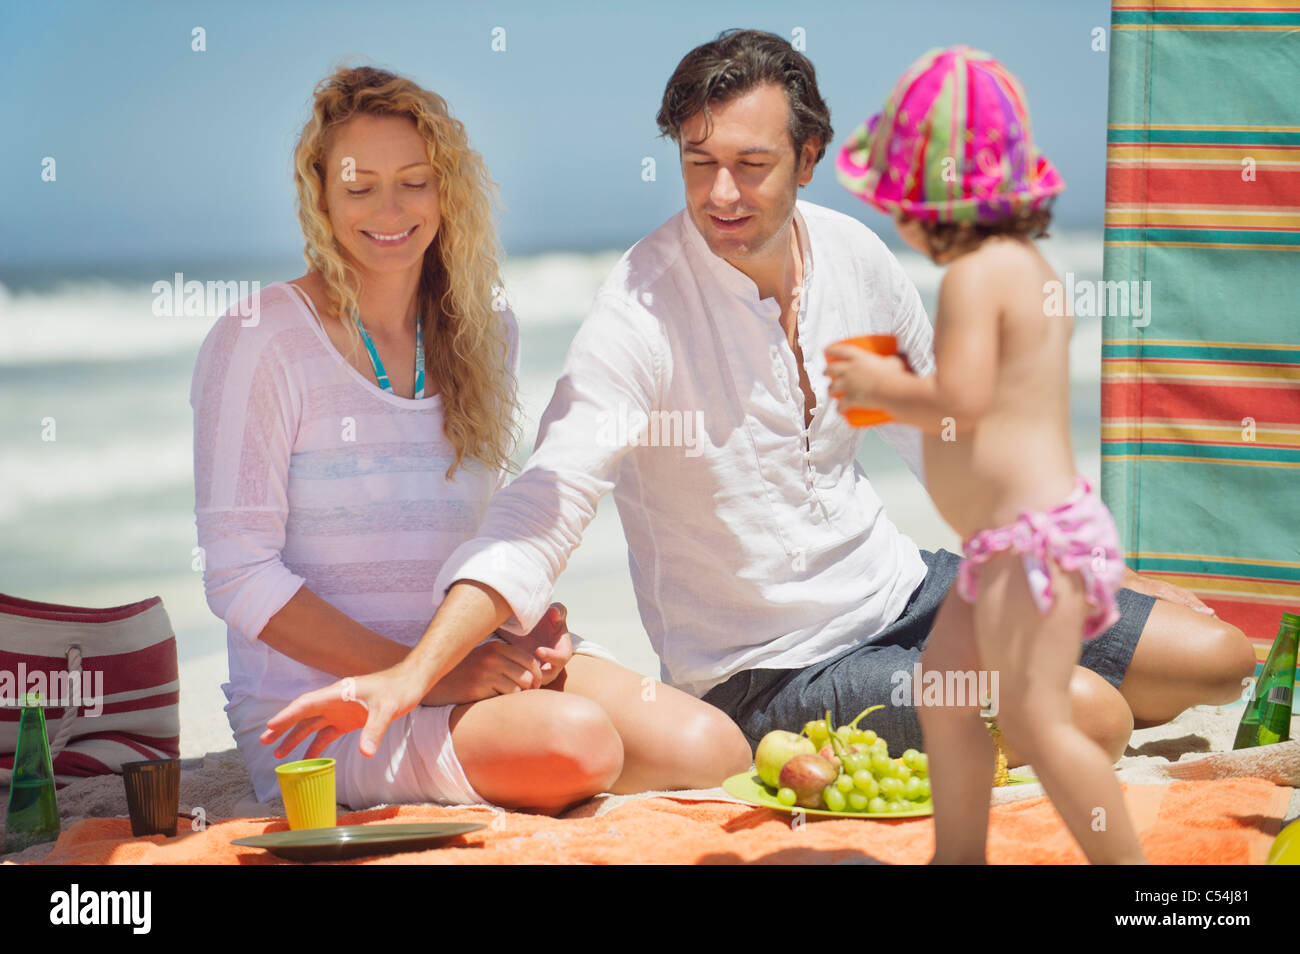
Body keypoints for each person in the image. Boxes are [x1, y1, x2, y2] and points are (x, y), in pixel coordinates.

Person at [262, 32, 1254, 774]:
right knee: (1089, 713)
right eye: (699, 164)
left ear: (808, 158)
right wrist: (415, 669)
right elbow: (545, 500)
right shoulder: (640, 312)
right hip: (773, 672)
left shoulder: (854, 256)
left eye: (751, 165)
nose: (722, 195)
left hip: (906, 591)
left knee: (1212, 659)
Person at [192, 65, 748, 816]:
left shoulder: (483, 332)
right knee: (579, 743)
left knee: (712, 749)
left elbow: (484, 523)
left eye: (414, 182)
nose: (390, 209)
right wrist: (425, 674)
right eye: (359, 187)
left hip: (469, 666)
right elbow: (237, 575)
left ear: (446, 189)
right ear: (319, 197)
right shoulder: (261, 338)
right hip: (330, 711)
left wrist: (525, 620)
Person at [826, 46, 1145, 863]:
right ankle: (958, 855)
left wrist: (883, 385)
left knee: (1037, 716)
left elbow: (960, 399)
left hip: (1027, 547)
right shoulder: (1025, 266)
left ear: (928, 201)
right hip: (1012, 544)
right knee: (944, 690)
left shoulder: (975, 275)